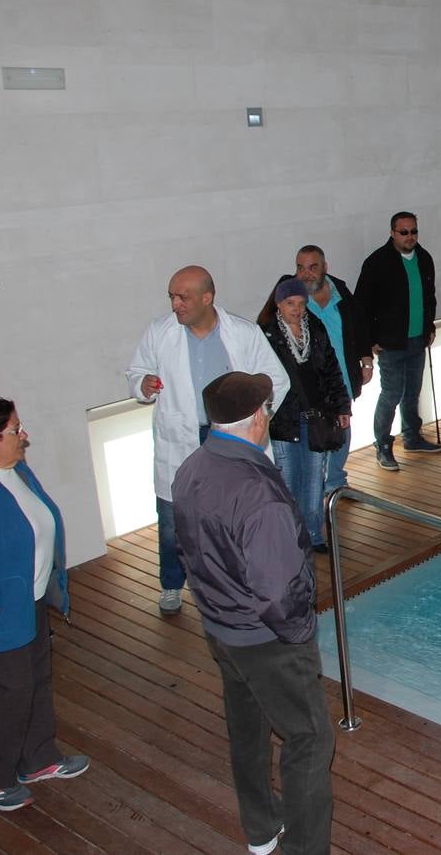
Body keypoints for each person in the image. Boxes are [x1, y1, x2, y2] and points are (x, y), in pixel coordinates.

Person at [172, 372, 334, 855]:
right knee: (309, 739)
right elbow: (277, 592)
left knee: (247, 728)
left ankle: (261, 830)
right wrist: (300, 634)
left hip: (221, 628)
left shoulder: (192, 468)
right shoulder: (256, 493)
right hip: (266, 639)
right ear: (259, 417)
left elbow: (191, 551)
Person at [126, 266, 290, 616]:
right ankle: (172, 584)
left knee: (236, 512)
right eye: (171, 296)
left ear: (207, 297)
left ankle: (239, 578)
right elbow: (136, 372)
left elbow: (275, 378)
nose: (175, 304)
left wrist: (257, 417)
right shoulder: (159, 332)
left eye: (182, 296)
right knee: (173, 518)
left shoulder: (243, 333)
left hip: (230, 437)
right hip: (181, 438)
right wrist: (143, 385)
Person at [0, 397, 89, 812]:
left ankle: (38, 759)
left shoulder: (15, 469)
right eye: (15, 430)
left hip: (27, 602)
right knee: (12, 694)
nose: (23, 435)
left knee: (37, 682)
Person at [260, 245, 373, 494]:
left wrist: (366, 360)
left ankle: (335, 481)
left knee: (341, 429)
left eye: (312, 267)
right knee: (311, 446)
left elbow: (358, 326)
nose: (305, 273)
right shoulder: (292, 298)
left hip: (340, 376)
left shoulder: (341, 293)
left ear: (325, 268)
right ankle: (320, 487)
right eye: (300, 267)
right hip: (309, 394)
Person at [258, 278, 352, 554]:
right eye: (291, 304)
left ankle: (312, 533)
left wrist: (342, 407)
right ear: (279, 304)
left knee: (314, 479)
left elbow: (333, 371)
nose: (297, 310)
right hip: (283, 420)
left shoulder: (316, 329)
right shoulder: (266, 335)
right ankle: (290, 536)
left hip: (315, 418)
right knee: (287, 481)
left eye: (301, 304)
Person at [354, 211, 441, 471]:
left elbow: (430, 297)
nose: (410, 236)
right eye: (404, 232)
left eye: (413, 231)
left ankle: (412, 437)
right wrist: (370, 341)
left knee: (412, 392)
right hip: (390, 343)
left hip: (418, 339)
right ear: (392, 233)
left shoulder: (424, 258)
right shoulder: (377, 262)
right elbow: (362, 304)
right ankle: (383, 444)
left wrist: (429, 326)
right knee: (391, 393)